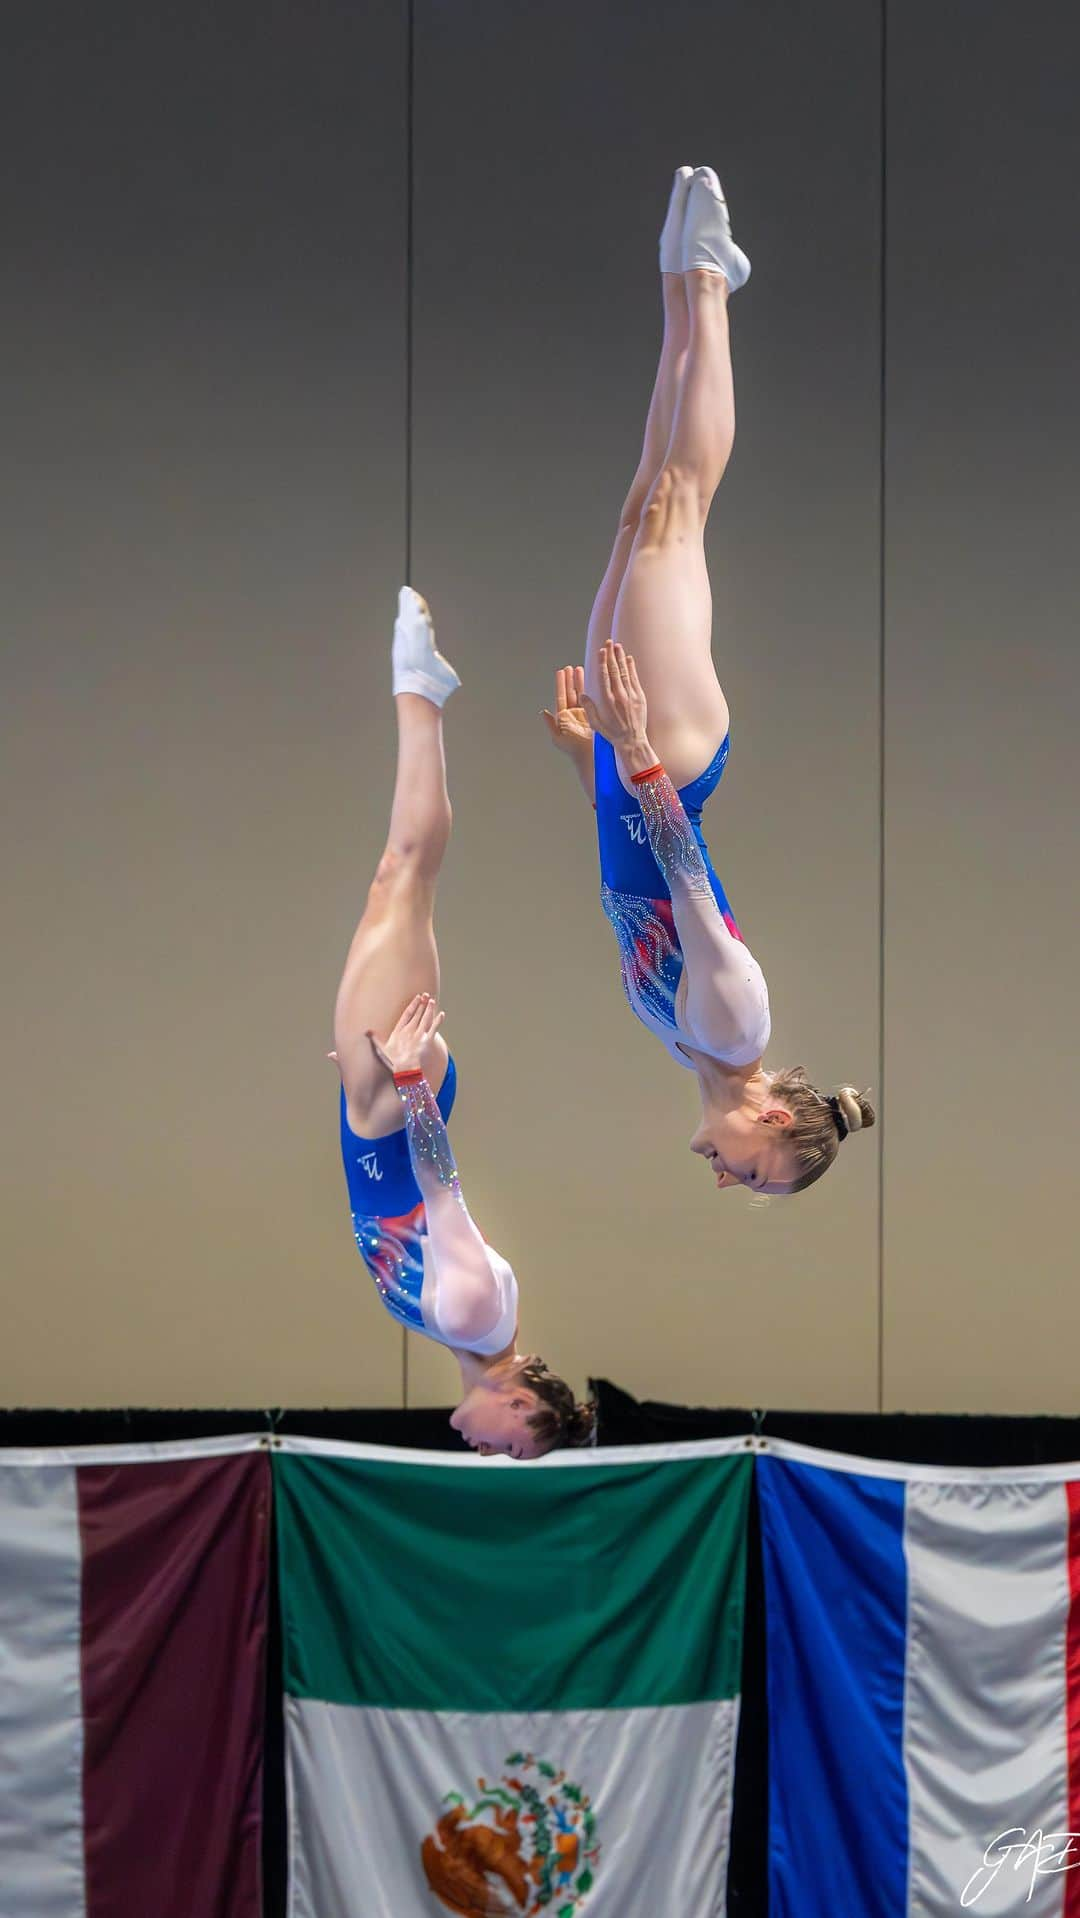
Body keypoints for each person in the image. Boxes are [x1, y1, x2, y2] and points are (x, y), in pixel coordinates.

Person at [544, 167, 874, 1194]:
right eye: (759, 1173)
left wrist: (591, 762)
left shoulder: (694, 1048)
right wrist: (637, 752)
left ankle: (684, 285)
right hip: (671, 755)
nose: (730, 1180)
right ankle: (711, 284)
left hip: (637, 765)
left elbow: (631, 886)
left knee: (644, 505)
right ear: (777, 1118)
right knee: (679, 509)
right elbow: (685, 874)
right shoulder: (736, 1024)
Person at [333, 587, 594, 1453]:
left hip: (376, 1106)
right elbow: (443, 1187)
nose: (486, 1448)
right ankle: (420, 688)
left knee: (398, 881)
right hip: (394, 1102)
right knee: (403, 877)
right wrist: (408, 1082)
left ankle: (422, 691)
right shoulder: (478, 1315)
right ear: (524, 1406)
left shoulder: (466, 1333)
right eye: (510, 1446)